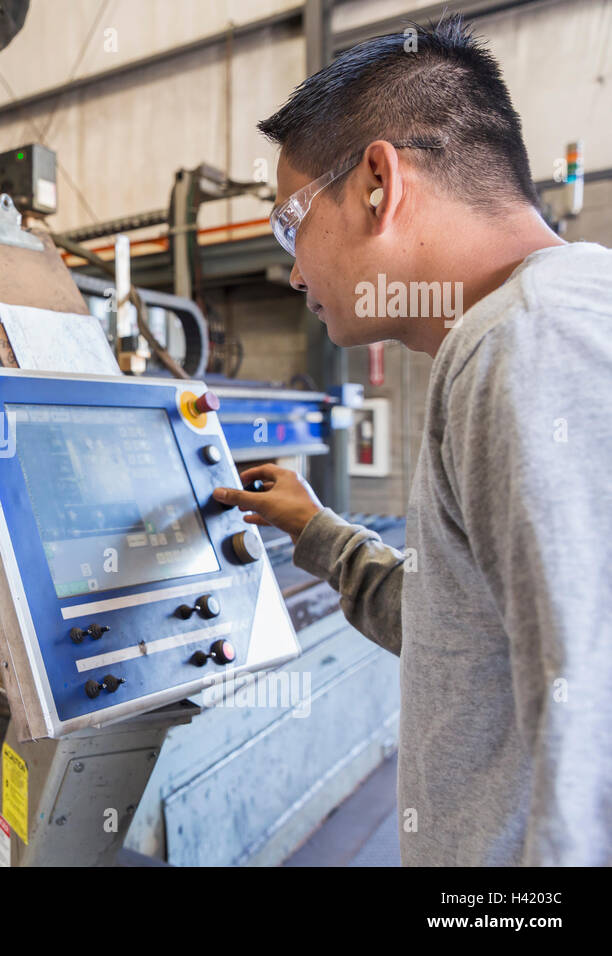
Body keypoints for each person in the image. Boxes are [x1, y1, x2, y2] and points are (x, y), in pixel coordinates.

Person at [213, 16, 612, 865]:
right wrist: (316, 531)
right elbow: (461, 634)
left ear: (377, 184)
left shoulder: (531, 347)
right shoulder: (519, 334)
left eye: (291, 224)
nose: (291, 271)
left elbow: (594, 759)